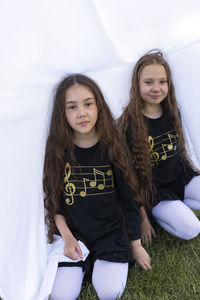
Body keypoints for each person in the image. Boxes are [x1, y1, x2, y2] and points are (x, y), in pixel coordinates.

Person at [43, 74, 151, 300]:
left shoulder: (113, 146)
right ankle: (80, 266)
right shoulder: (57, 151)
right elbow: (56, 205)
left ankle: (97, 265)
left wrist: (136, 245)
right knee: (61, 296)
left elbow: (128, 200)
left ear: (98, 106)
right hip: (75, 235)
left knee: (109, 292)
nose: (82, 112)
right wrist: (68, 237)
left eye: (88, 104)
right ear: (62, 113)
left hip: (110, 234)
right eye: (72, 107)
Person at [118, 50, 200, 245]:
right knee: (192, 229)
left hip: (180, 179)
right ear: (136, 84)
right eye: (148, 82)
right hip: (155, 193)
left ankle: (178, 206)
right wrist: (143, 217)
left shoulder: (172, 111)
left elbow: (179, 153)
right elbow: (127, 177)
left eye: (162, 82)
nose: (156, 88)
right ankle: (164, 212)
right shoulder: (127, 124)